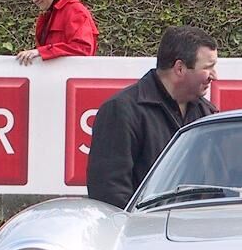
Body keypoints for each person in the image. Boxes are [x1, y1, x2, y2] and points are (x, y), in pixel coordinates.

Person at [86, 26, 219, 208]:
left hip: (197, 232)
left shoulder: (207, 114)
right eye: (208, 67)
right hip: (143, 233)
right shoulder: (121, 110)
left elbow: (218, 184)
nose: (215, 76)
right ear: (179, 68)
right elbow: (108, 192)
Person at [16, 0, 98, 65]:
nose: (34, 0)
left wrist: (40, 52)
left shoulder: (75, 11)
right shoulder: (54, 12)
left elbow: (83, 49)